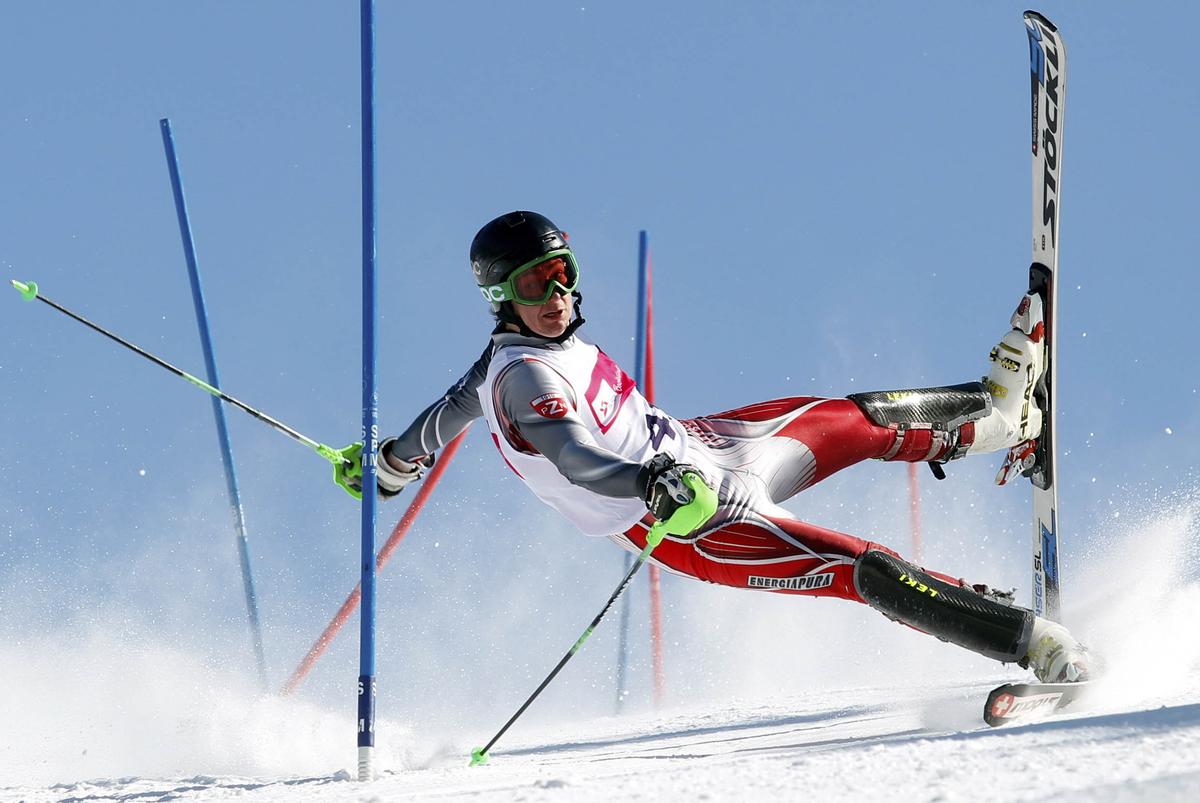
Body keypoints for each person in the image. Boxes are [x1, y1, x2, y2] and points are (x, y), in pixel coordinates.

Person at [363, 210, 1090, 684]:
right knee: (853, 564)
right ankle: (1034, 643)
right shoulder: (525, 377)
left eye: (564, 272)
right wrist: (652, 482)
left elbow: (449, 409)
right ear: (501, 295)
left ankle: (1002, 418)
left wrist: (393, 463)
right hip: (679, 518)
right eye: (534, 282)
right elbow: (574, 455)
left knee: (851, 418)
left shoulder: (510, 353)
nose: (557, 293)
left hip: (704, 446)